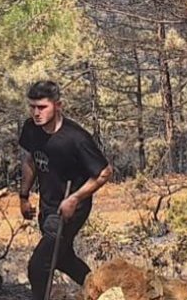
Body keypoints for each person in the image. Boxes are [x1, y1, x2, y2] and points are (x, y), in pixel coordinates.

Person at [18, 80, 113, 300]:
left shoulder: (76, 138)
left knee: (39, 266)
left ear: (58, 105)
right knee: (62, 258)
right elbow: (30, 160)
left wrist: (75, 198)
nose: (36, 112)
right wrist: (23, 196)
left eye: (42, 107)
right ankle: (103, 293)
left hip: (72, 208)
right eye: (32, 106)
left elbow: (105, 172)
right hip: (48, 206)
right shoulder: (31, 129)